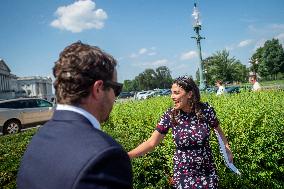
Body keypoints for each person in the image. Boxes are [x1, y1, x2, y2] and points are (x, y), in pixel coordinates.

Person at [17, 41, 133, 189]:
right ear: (98, 89)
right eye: (116, 89)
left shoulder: (39, 138)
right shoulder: (106, 157)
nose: (115, 97)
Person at [128, 76, 233, 189]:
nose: (172, 97)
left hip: (207, 173)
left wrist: (227, 149)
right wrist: (127, 156)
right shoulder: (171, 115)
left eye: (176, 93)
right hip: (183, 174)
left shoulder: (206, 110)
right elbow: (151, 143)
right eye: (172, 93)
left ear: (189, 94)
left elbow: (219, 131)